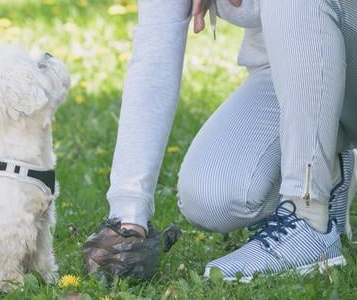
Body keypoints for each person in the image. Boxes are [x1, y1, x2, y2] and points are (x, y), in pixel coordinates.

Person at [83, 0, 357, 281]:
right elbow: (155, 52)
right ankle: (328, 171)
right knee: (212, 197)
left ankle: (307, 213)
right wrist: (128, 216)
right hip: (293, 70)